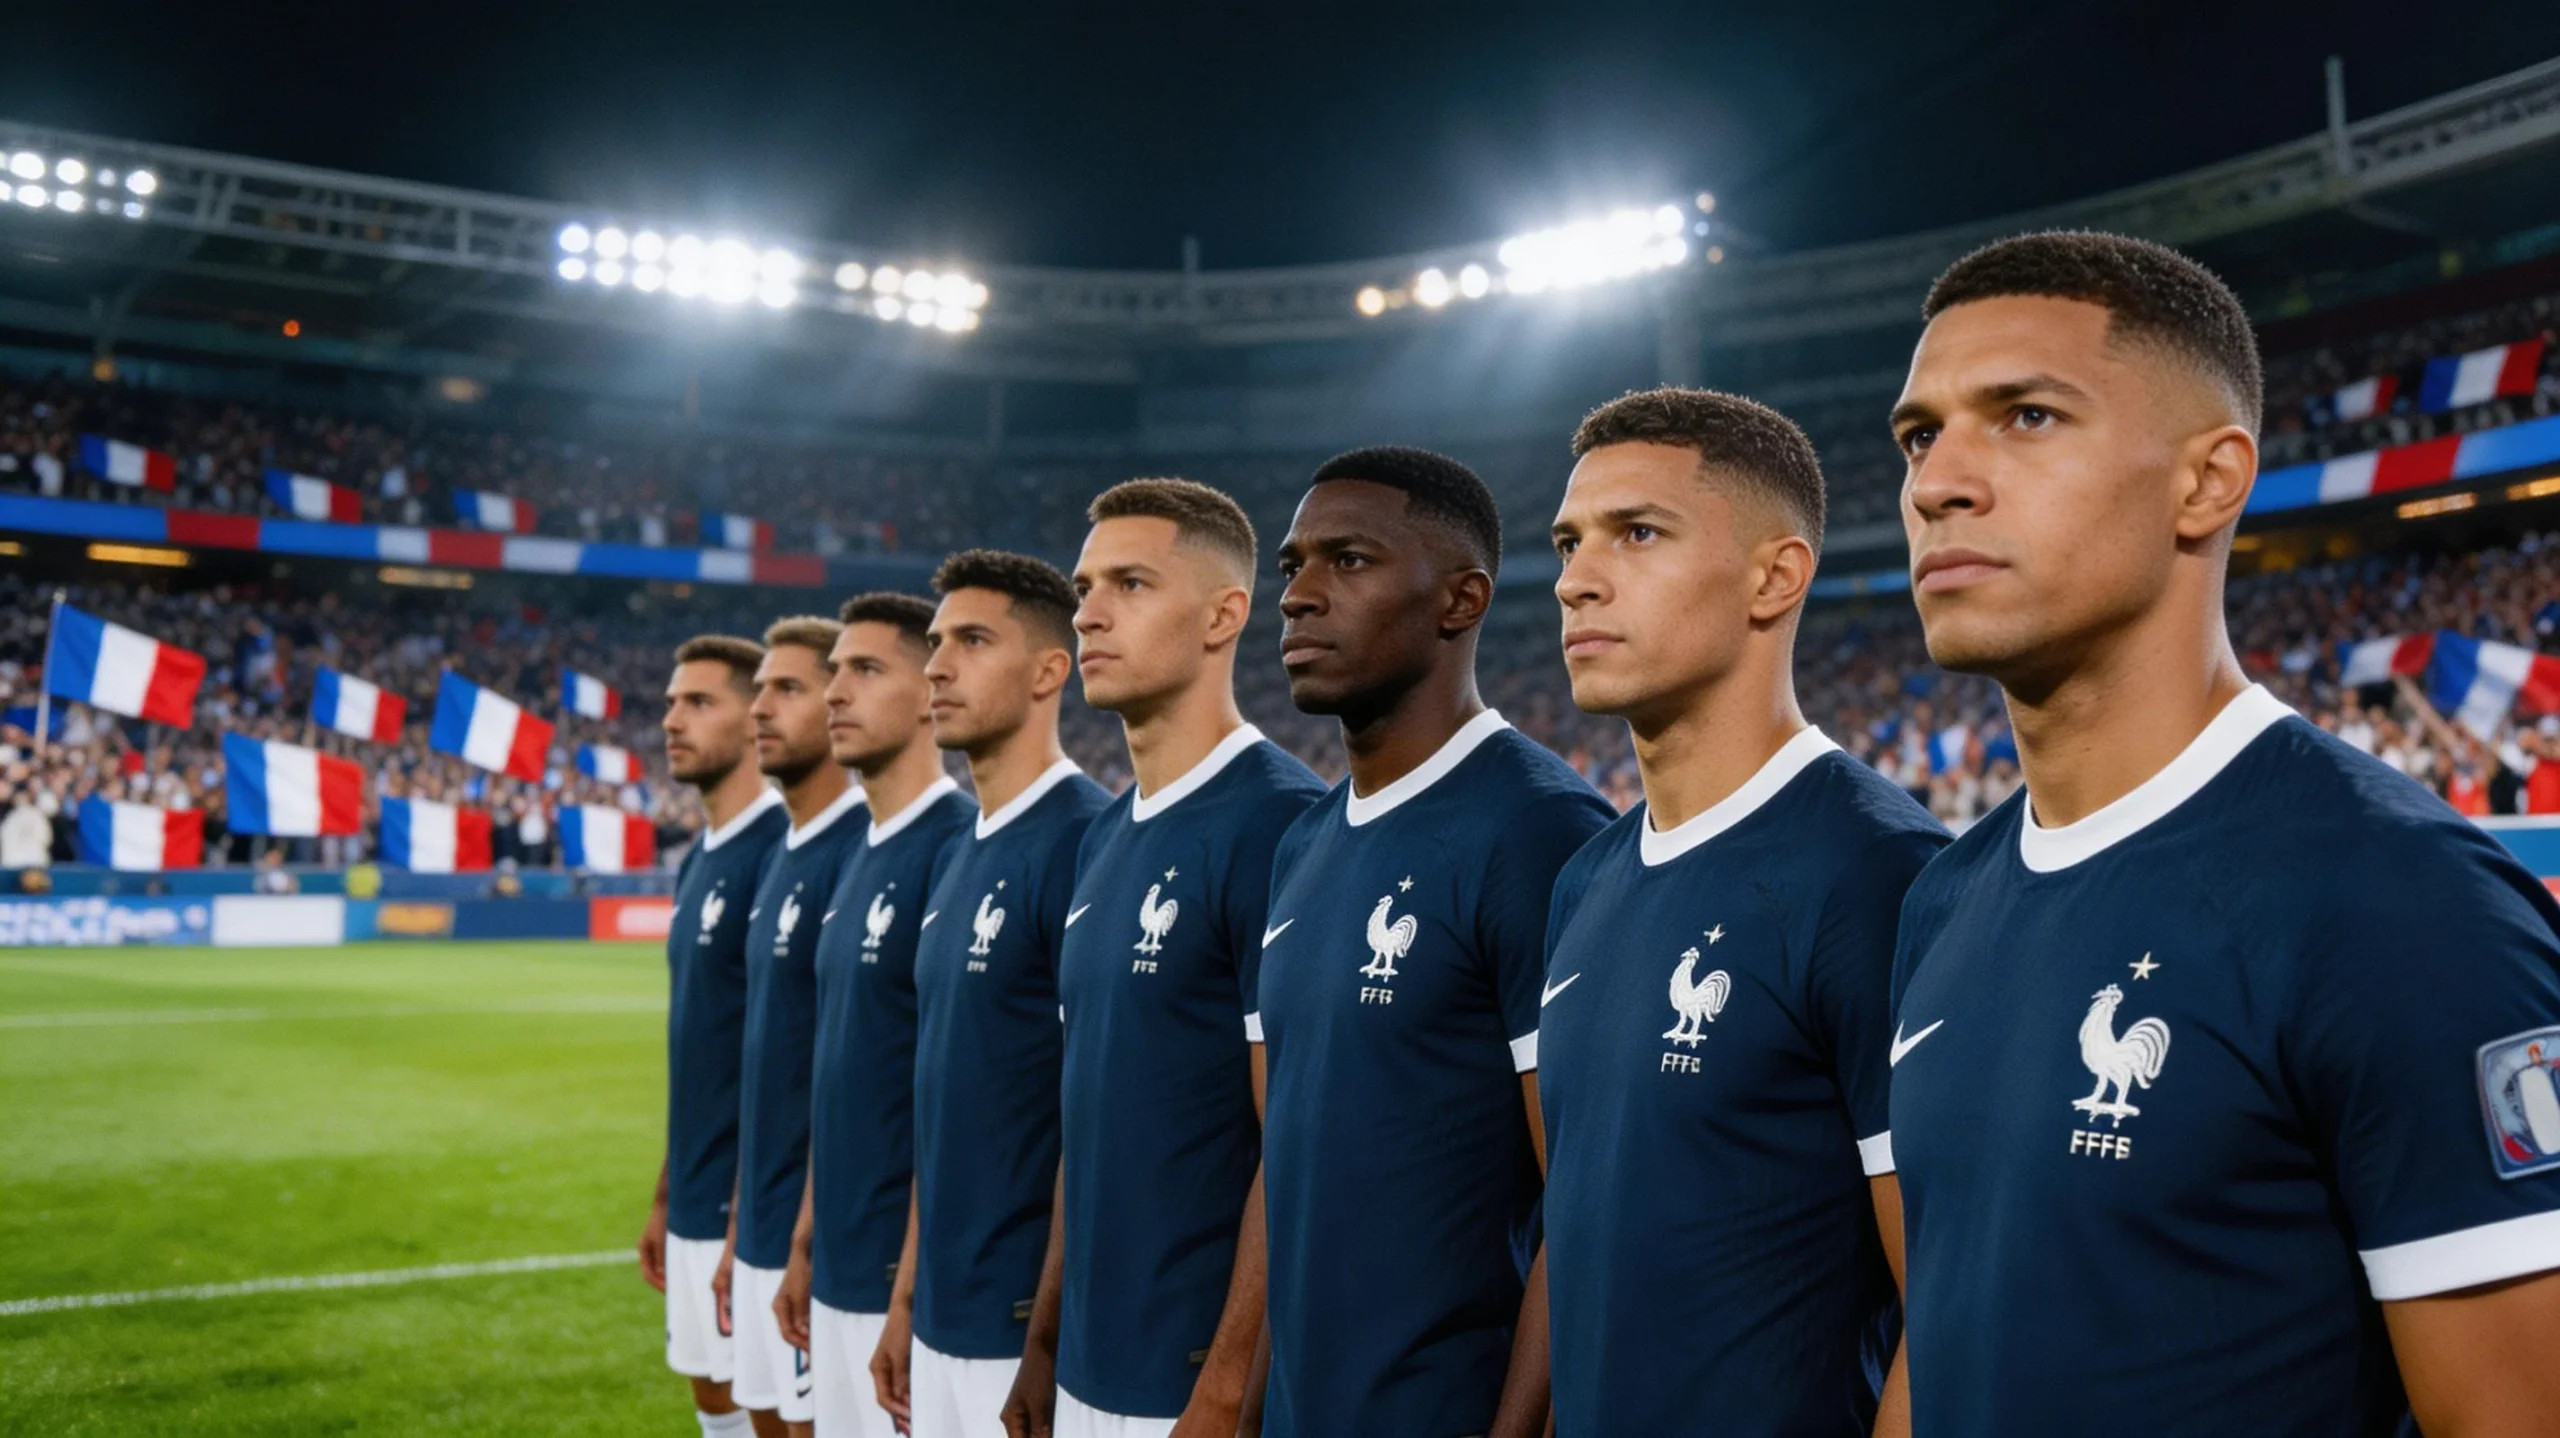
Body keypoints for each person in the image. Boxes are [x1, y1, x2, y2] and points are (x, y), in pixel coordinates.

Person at [1884, 230, 2560, 1436]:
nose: (1937, 480)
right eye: (1919, 433)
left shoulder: (2401, 903)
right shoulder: (1943, 899)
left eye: (2026, 416)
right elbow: (1939, 1336)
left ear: (2206, 480)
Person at [1535, 388, 1946, 1436]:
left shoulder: (1881, 874)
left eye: (1636, 533)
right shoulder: (1585, 877)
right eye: (1569, 542)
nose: (1576, 580)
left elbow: (1952, 1314)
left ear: (1774, 576)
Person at [1251, 447, 1614, 1438]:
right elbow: (1284, 1156)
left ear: (1460, 599)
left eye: (1349, 560)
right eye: (1292, 567)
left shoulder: (1541, 833)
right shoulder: (1304, 844)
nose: (1298, 596)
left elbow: (1583, 1202)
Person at [1002, 481, 1325, 1438]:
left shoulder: (1284, 825)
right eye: (1084, 586)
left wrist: (1224, 1388)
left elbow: (1296, 1146)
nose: (1089, 613)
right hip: (1088, 1368)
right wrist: (1047, 1339)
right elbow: (1086, 1114)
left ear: (1225, 615)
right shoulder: (1101, 839)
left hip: (1192, 1388)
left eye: (1130, 584)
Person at [871, 552, 1108, 1438]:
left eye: (971, 640)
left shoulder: (1085, 841)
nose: (936, 665)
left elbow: (1089, 1119)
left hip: (1024, 1330)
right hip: (939, 1315)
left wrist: (1042, 1338)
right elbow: (943, 1102)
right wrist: (905, 1298)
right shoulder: (956, 851)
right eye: (935, 643)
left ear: (1051, 671)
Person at [772, 594, 974, 1438]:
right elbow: (841, 1065)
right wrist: (805, 1235)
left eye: (864, 670)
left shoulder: (958, 843)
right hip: (840, 1263)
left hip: (914, 1279)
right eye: (834, 673)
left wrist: (908, 1284)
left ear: (929, 690)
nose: (834, 694)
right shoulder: (857, 847)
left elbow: (958, 1091)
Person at [722, 617, 869, 1438]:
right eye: (758, 692)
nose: (760, 712)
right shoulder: (783, 850)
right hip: (772, 1218)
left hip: (842, 1240)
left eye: (788, 689)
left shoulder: (864, 847)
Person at [642, 635, 789, 1438]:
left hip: (755, 1202)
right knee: (710, 1392)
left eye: (700, 703)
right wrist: (670, 1187)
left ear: (754, 716)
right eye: (670, 703)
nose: (673, 719)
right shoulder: (700, 854)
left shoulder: (779, 853)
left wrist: (743, 1214)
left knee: (769, 1406)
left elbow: (784, 1055)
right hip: (698, 1191)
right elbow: (702, 1045)